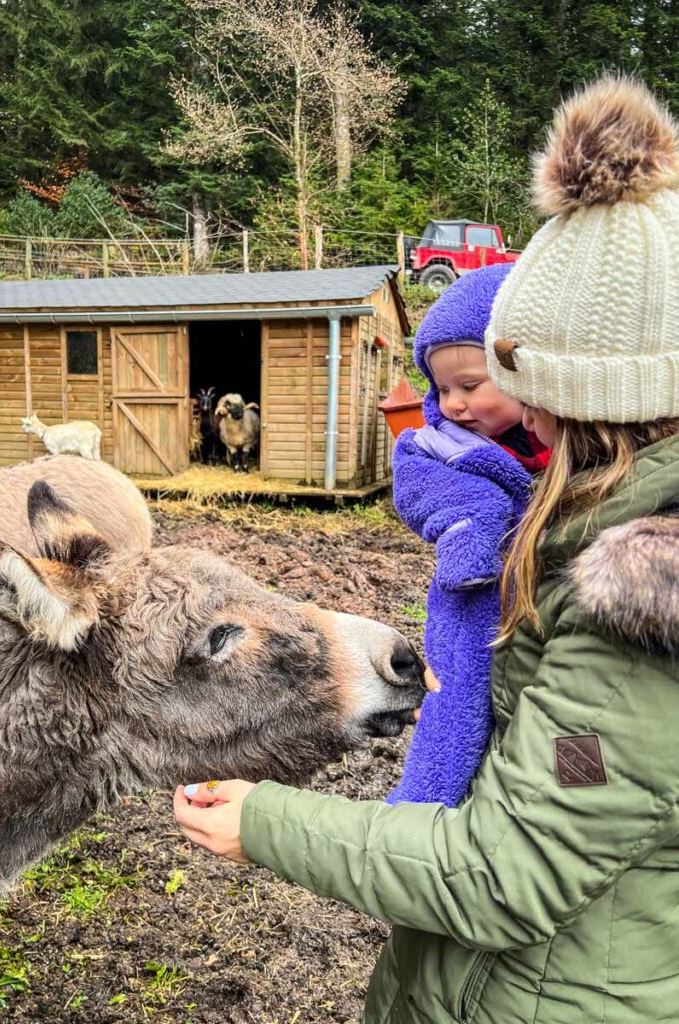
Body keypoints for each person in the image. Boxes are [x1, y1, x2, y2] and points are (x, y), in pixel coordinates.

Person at [174, 75, 679, 1023]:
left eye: (520, 378)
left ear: (596, 392)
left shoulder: (642, 599)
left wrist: (268, 820)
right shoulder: (578, 516)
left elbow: (508, 871)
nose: (500, 410)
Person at [389, 263, 551, 807]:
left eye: (470, 385)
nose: (453, 403)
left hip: (539, 605)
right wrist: (468, 521)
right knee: (452, 703)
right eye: (442, 388)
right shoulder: (438, 443)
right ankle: (418, 810)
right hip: (470, 600)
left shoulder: (568, 444)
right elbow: (415, 486)